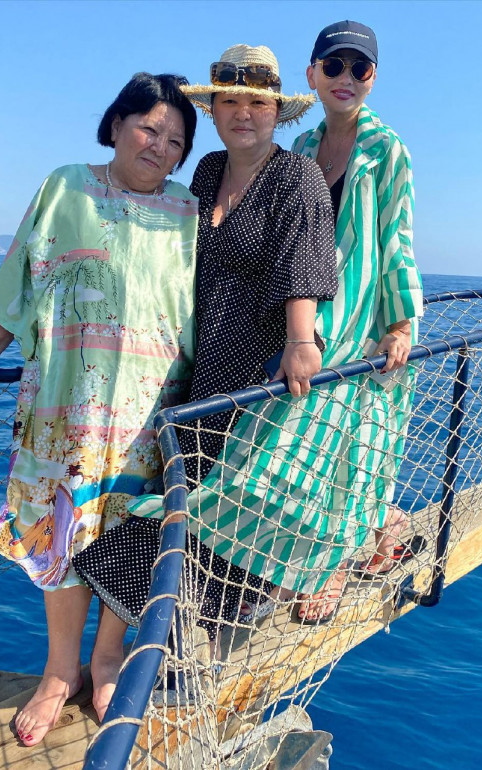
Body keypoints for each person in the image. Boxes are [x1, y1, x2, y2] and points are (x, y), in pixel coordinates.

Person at [0, 72, 199, 745]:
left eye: (176, 140)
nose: (160, 146)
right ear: (116, 126)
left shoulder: (189, 212)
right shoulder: (66, 187)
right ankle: (59, 672)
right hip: (67, 402)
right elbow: (22, 275)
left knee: (128, 532)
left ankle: (106, 660)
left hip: (150, 409)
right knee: (61, 527)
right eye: (149, 129)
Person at [72, 44, 337, 661]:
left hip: (258, 373)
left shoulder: (296, 178)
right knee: (180, 504)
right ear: (212, 110)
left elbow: (304, 265)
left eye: (258, 103)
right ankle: (134, 650)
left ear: (278, 113)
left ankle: (160, 648)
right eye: (230, 101)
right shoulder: (210, 171)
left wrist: (302, 341)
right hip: (201, 365)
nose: (243, 112)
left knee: (210, 511)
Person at [289, 19, 424, 619]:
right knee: (307, 438)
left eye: (359, 67)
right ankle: (382, 530)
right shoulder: (300, 149)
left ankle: (333, 563)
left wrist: (400, 325)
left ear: (373, 78)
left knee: (354, 442)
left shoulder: (387, 150)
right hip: (311, 314)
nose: (345, 77)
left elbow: (398, 238)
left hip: (365, 314)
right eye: (334, 65)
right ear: (312, 74)